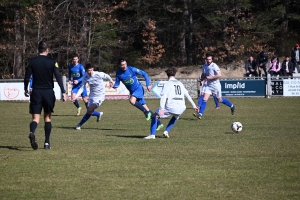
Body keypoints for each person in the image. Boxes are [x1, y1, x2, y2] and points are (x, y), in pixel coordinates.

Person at [24, 41, 67, 150]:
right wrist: (63, 91)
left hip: (36, 92)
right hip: (48, 92)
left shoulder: (32, 61)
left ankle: (31, 132)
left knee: (35, 118)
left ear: (38, 49)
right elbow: (58, 77)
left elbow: (27, 77)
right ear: (47, 49)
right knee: (47, 118)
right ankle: (47, 143)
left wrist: (25, 89)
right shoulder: (52, 62)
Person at [144, 67, 199, 139]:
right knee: (176, 116)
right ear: (175, 74)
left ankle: (152, 135)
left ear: (167, 74)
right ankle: (166, 131)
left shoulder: (167, 83)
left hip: (172, 105)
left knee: (155, 116)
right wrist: (194, 106)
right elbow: (187, 95)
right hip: (182, 107)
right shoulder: (180, 83)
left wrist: (162, 108)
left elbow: (164, 96)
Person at [113, 58, 163, 130]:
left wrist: (148, 84)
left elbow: (145, 74)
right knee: (146, 108)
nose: (124, 66)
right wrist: (113, 86)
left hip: (138, 89)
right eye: (122, 65)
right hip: (133, 92)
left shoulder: (131, 69)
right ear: (119, 65)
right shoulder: (118, 73)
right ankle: (158, 123)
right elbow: (117, 83)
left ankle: (146, 112)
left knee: (132, 101)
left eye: (125, 64)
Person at [193, 53, 235, 119]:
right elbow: (204, 75)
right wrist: (201, 79)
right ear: (206, 59)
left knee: (219, 100)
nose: (209, 60)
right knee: (204, 99)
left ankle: (232, 105)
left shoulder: (214, 66)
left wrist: (211, 77)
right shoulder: (204, 66)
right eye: (207, 59)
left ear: (212, 59)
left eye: (210, 59)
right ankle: (200, 114)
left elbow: (219, 75)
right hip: (208, 85)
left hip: (216, 85)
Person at [73, 63, 113, 130]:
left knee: (90, 109)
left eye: (91, 70)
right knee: (89, 111)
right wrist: (76, 96)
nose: (90, 72)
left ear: (93, 69)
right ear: (86, 70)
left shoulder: (98, 74)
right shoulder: (85, 76)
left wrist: (111, 81)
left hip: (100, 96)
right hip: (92, 95)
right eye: (88, 70)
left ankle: (79, 125)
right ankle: (98, 114)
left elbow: (107, 76)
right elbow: (82, 87)